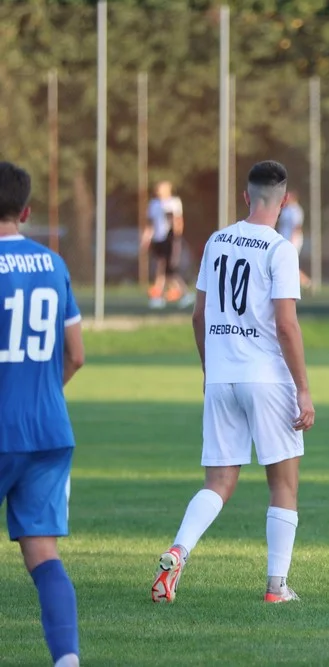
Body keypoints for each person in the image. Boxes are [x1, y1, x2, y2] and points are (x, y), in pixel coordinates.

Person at [151, 160, 315, 604]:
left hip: (222, 376)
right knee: (283, 483)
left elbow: (199, 315)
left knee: (218, 482)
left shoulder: (216, 241)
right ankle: (276, 587)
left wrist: (210, 371)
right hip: (266, 378)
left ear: (246, 197)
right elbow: (286, 326)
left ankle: (178, 550)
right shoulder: (280, 249)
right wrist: (302, 387)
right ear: (283, 202)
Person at [0, 161, 85, 667]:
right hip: (48, 429)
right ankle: (67, 660)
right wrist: (40, 395)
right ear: (27, 211)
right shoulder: (52, 264)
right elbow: (75, 354)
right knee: (44, 555)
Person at [142, 181, 195, 309]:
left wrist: (176, 239)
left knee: (167, 269)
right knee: (161, 268)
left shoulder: (174, 202)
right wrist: (146, 239)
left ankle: (168, 295)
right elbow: (150, 224)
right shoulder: (153, 204)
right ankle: (171, 295)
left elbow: (178, 222)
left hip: (169, 238)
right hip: (158, 239)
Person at [276, 189, 311, 289]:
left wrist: (292, 240)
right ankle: (306, 283)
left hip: (293, 240)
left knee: (289, 264)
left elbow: (297, 226)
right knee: (286, 264)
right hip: (284, 240)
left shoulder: (296, 210)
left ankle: (306, 283)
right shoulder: (285, 210)